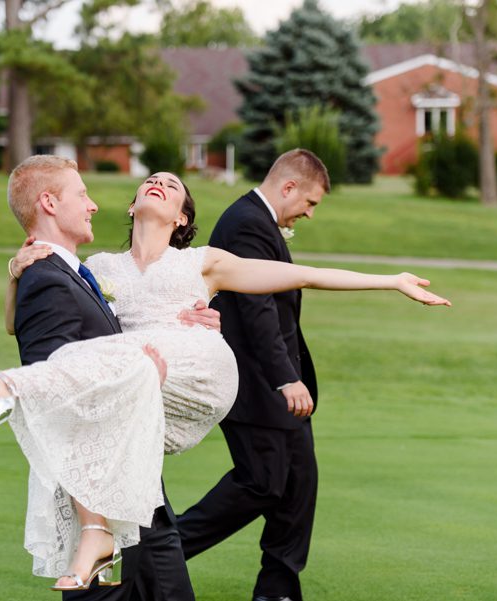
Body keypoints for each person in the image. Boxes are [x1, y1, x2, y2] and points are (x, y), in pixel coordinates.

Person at [0, 155, 450, 596]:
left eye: (172, 186)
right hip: (139, 381)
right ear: (133, 204)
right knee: (113, 383)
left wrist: (390, 280)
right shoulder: (97, 268)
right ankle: (100, 544)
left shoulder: (204, 264)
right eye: (152, 180)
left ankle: (0, 388)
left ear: (181, 219)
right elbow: (22, 324)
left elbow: (301, 273)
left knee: (130, 358)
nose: (159, 183)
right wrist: (13, 275)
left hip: (195, 371)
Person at [177, 149, 330, 601]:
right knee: (262, 481)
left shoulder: (260, 223)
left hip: (274, 381)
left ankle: (277, 587)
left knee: (300, 481)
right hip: (254, 382)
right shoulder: (246, 223)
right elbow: (257, 308)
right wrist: (286, 377)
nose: (309, 212)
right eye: (310, 202)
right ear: (289, 188)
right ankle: (161, 554)